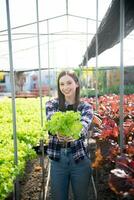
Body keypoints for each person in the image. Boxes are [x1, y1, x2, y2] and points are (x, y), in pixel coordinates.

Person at [45, 70, 93, 200]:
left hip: (79, 158)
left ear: (76, 84)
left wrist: (76, 133)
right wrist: (57, 132)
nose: (65, 87)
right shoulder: (52, 104)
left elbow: (84, 124)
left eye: (69, 83)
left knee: (81, 197)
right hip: (58, 159)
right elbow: (51, 121)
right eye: (61, 84)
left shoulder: (86, 107)